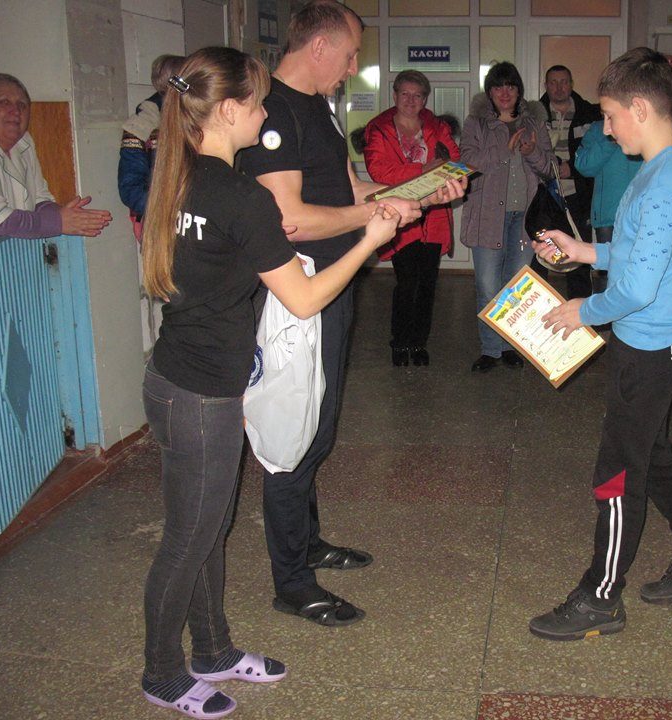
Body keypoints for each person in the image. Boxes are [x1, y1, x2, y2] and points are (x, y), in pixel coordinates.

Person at [139, 46, 402, 718]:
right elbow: (305, 299)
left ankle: (213, 650)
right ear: (228, 111)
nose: (264, 114)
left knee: (207, 527)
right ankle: (162, 672)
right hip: (202, 395)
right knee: (190, 539)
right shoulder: (240, 196)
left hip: (173, 379)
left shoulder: (179, 175)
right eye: (256, 103)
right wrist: (369, 242)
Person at [238, 0, 464, 625]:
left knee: (321, 424)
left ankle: (307, 544)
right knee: (292, 434)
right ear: (319, 47)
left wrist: (421, 193)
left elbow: (352, 190)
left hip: (332, 286)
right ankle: (291, 581)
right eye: (350, 53)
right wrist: (374, 219)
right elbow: (289, 218)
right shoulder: (273, 111)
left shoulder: (319, 107)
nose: (353, 66)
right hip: (294, 296)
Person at [528, 47, 672, 642]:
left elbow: (638, 288)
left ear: (640, 108)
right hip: (662, 342)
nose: (608, 129)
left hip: (648, 348)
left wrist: (583, 311)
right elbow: (641, 252)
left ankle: (600, 597)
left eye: (612, 116)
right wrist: (585, 250)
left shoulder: (665, 182)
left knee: (617, 474)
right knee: (653, 452)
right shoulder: (664, 168)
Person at [460, 61, 555, 372]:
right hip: (487, 217)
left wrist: (531, 152)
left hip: (524, 219)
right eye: (498, 86)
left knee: (515, 287)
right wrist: (505, 149)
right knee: (488, 286)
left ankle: (509, 346)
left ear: (519, 91)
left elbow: (549, 168)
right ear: (489, 91)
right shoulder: (476, 124)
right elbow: (468, 164)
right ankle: (491, 349)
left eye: (511, 86)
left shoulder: (534, 124)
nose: (504, 92)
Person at [363, 69, 460, 366]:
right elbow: (379, 171)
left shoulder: (437, 126)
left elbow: (453, 161)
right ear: (394, 95)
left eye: (417, 95)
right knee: (407, 282)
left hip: (434, 217)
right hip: (399, 216)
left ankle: (418, 343)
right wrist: (423, 169)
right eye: (405, 93)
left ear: (425, 99)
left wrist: (444, 171)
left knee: (427, 283)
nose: (410, 100)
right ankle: (400, 341)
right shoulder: (378, 128)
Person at [0, 73, 111, 242]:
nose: (16, 111)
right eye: (4, 103)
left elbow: (39, 201)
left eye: (22, 105)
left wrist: (72, 216)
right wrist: (58, 222)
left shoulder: (24, 142)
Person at [535, 64, 601, 299]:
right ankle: (537, 310)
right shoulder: (535, 114)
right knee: (539, 257)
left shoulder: (589, 114)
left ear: (571, 85)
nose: (559, 87)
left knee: (579, 260)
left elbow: (596, 154)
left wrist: (571, 168)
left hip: (578, 197)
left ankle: (580, 310)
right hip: (543, 198)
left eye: (563, 82)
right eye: (553, 82)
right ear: (546, 86)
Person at [118, 53, 185, 240]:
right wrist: (171, 209)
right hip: (162, 227)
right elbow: (130, 188)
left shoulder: (194, 119)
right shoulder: (142, 126)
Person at [574, 118, 642, 292]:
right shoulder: (598, 129)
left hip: (642, 214)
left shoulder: (644, 125)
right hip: (607, 216)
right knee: (609, 276)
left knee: (639, 272)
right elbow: (583, 165)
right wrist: (609, 140)